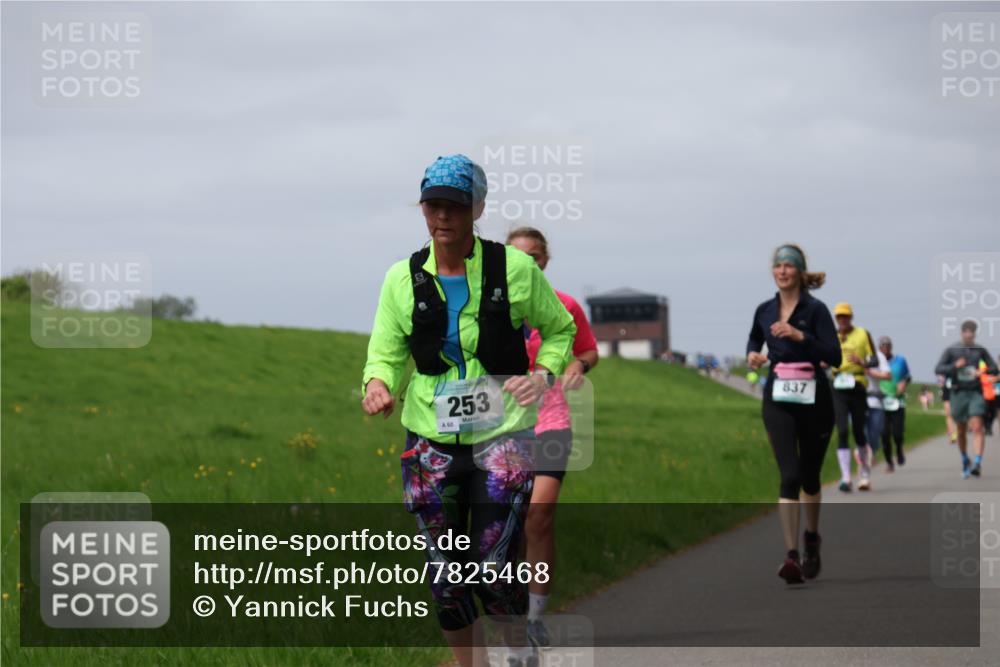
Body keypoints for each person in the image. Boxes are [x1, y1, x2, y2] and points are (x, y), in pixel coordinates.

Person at [361, 154, 577, 667]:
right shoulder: (401, 278)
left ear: (477, 208)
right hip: (429, 441)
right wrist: (377, 385)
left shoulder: (516, 269)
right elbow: (385, 352)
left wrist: (542, 374)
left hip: (502, 437)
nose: (442, 217)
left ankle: (515, 651)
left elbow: (560, 329)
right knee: (446, 577)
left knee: (494, 568)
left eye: (455, 206)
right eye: (433, 205)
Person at [506, 226, 599, 651]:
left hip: (551, 420)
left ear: (545, 261)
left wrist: (579, 366)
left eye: (535, 256)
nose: (527, 263)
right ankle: (511, 606)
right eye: (517, 256)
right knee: (509, 523)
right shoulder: (491, 309)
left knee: (538, 516)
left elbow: (588, 349)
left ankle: (536, 617)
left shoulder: (565, 306)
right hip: (500, 427)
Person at [746, 244, 841, 585]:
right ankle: (790, 557)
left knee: (811, 477)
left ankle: (811, 540)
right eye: (778, 266)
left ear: (800, 272)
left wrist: (801, 335)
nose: (783, 271)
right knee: (789, 476)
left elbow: (835, 354)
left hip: (815, 398)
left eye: (789, 266)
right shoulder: (764, 309)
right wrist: (754, 356)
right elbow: (754, 341)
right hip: (779, 398)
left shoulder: (816, 311)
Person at [934, 320, 998, 479]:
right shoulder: (952, 350)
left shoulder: (980, 350)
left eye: (972, 332)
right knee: (961, 429)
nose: (969, 334)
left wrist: (981, 371)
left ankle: (977, 462)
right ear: (962, 333)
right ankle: (964, 459)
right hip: (958, 393)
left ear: (974, 334)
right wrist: (955, 366)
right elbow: (938, 369)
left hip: (975, 392)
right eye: (966, 332)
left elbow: (994, 368)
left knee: (977, 426)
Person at [830, 303, 878, 492]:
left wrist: (863, 361)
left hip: (857, 385)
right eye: (839, 317)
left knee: (859, 431)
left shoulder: (862, 334)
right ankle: (846, 477)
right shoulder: (831, 336)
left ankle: (865, 473)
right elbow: (822, 357)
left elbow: (874, 360)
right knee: (842, 431)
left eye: (845, 316)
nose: (842, 320)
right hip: (838, 386)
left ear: (851, 317)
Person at [878, 336, 912, 470]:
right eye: (882, 346)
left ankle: (899, 450)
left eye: (887, 345)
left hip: (898, 401)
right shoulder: (876, 362)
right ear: (879, 348)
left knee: (898, 433)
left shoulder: (900, 360)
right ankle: (888, 462)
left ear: (891, 347)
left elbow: (908, 376)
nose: (885, 348)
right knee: (884, 434)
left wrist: (904, 382)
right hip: (881, 402)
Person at [865, 347, 892, 472]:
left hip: (875, 400)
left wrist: (870, 372)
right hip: (857, 399)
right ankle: (863, 475)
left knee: (875, 435)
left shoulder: (878, 356)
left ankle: (872, 452)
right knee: (861, 435)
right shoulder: (849, 351)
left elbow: (888, 375)